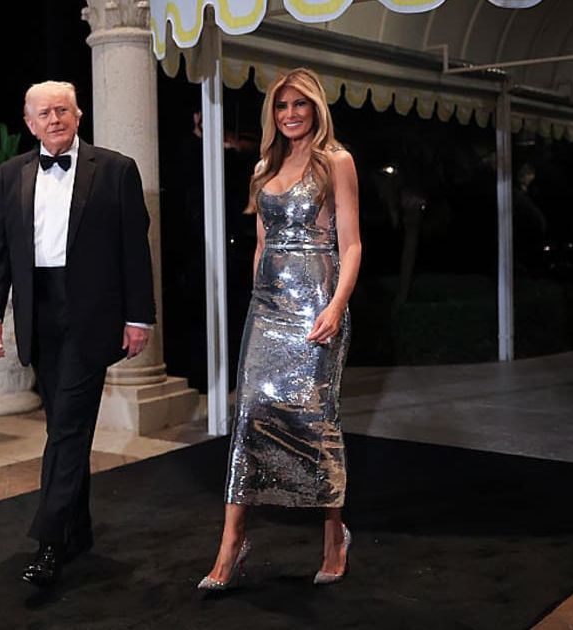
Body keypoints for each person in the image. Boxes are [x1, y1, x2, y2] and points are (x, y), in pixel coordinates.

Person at [0, 81, 155, 587]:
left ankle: (49, 540)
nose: (54, 118)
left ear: (78, 116)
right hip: (38, 313)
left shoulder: (116, 169)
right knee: (63, 425)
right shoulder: (9, 174)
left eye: (62, 109)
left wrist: (138, 316)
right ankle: (78, 531)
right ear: (29, 122)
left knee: (68, 429)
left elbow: (133, 249)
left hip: (91, 315)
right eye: (43, 112)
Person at [199, 68, 362, 590]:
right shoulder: (265, 165)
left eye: (300, 105)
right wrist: (257, 303)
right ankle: (230, 545)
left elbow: (352, 245)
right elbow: (261, 243)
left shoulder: (336, 161)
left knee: (316, 420)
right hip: (267, 310)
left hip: (317, 301)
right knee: (249, 416)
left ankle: (334, 536)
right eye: (282, 105)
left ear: (316, 108)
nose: (290, 113)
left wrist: (336, 306)